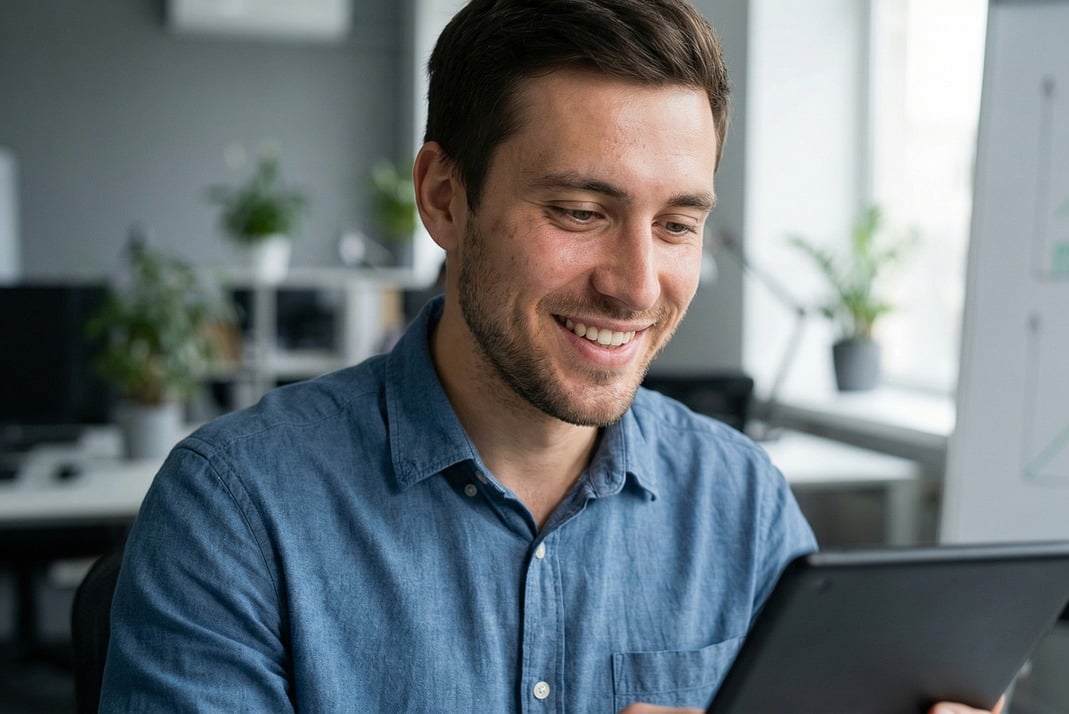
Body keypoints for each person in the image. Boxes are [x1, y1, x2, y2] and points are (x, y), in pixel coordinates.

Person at [101, 1, 999, 712]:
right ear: (445, 199)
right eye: (580, 212)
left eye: (678, 224)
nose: (638, 286)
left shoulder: (744, 502)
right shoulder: (234, 509)